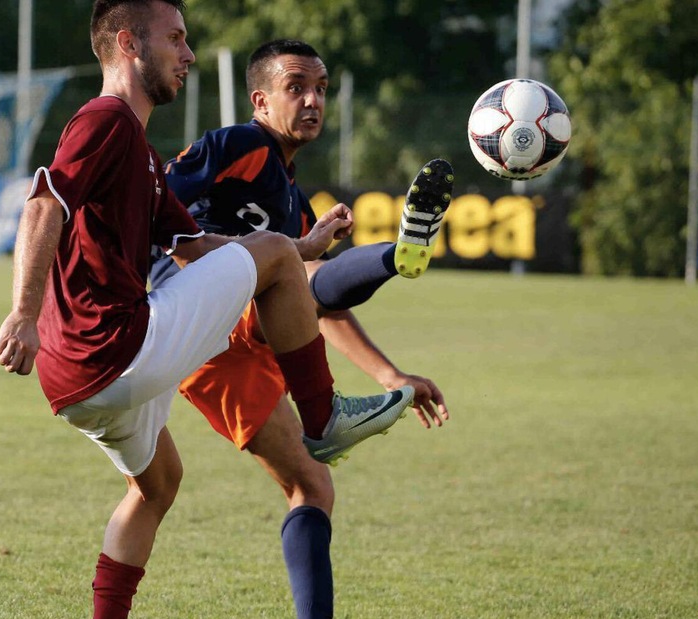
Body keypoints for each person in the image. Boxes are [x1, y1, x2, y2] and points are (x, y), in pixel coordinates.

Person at [0, 6, 412, 618]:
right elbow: (42, 205)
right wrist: (21, 314)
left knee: (156, 485)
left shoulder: (136, 147)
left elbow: (192, 245)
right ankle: (323, 418)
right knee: (269, 259)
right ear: (130, 43)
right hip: (118, 349)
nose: (188, 54)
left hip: (75, 380)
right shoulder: (106, 119)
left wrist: (298, 251)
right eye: (177, 39)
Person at [150, 39, 454, 618]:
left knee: (312, 486)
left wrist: (392, 375)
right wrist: (285, 254)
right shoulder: (240, 144)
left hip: (215, 358)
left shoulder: (294, 202)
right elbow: (161, 207)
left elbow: (319, 306)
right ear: (261, 100)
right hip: (188, 304)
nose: (313, 100)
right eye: (297, 88)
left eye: (321, 88)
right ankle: (395, 256)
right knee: (292, 264)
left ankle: (398, 257)